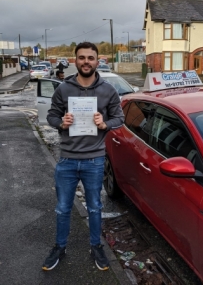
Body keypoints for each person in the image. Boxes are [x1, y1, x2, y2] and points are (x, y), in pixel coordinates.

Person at [42, 42, 124, 271]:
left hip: (95, 160)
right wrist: (61, 122)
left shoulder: (108, 90)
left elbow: (120, 118)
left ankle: (96, 245)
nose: (86, 61)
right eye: (81, 57)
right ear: (75, 61)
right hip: (67, 160)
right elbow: (51, 116)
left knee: (95, 207)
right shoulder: (63, 89)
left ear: (98, 61)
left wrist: (104, 123)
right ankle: (60, 246)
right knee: (62, 208)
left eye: (90, 57)